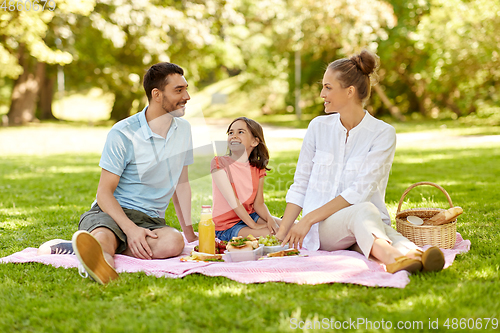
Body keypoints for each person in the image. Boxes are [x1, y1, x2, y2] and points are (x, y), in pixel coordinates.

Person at [276, 50, 445, 274]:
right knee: (364, 212)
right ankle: (394, 257)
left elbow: (360, 190)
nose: (321, 94)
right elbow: (301, 184)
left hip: (367, 221)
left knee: (374, 226)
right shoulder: (317, 127)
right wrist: (284, 232)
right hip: (323, 229)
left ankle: (414, 256)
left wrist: (306, 219)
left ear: (350, 92)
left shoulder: (383, 133)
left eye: (327, 87)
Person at [38, 62, 198, 284]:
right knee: (105, 237)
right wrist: (131, 230)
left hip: (151, 220)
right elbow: (104, 193)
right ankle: (102, 263)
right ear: (157, 94)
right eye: (179, 90)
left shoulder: (184, 130)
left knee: (173, 243)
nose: (187, 96)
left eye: (186, 88)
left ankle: (86, 247)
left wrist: (189, 234)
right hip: (111, 212)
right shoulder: (123, 133)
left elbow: (182, 185)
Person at [211, 117, 281, 241]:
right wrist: (254, 226)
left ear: (254, 142)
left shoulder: (258, 168)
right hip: (227, 226)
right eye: (231, 132)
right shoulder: (219, 163)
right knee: (277, 235)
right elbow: (233, 201)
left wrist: (270, 219)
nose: (234, 136)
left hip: (251, 215)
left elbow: (258, 204)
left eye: (240, 132)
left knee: (291, 226)